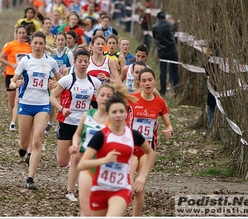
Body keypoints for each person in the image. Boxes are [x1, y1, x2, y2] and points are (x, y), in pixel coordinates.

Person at [77, 93, 155, 217]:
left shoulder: (133, 135)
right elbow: (81, 165)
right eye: (114, 112)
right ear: (108, 114)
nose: (118, 115)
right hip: (100, 188)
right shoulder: (101, 136)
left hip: (121, 188)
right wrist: (103, 160)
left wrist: (142, 176)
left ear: (126, 113)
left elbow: (150, 152)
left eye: (121, 111)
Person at [69, 82, 135, 216]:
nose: (105, 98)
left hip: (107, 169)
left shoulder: (116, 121)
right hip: (87, 166)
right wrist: (75, 144)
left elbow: (126, 142)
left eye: (109, 96)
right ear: (96, 97)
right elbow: (77, 134)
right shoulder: (87, 115)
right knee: (86, 211)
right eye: (102, 95)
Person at [9, 31, 61, 189]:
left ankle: (30, 178)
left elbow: (61, 82)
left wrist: (54, 85)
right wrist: (15, 85)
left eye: (41, 43)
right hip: (25, 104)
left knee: (37, 141)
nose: (38, 46)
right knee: (24, 143)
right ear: (31, 44)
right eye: (35, 43)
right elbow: (12, 81)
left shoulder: (51, 62)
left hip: (43, 104)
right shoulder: (25, 61)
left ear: (45, 45)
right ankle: (24, 148)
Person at [49, 48, 101, 202]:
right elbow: (52, 98)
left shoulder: (94, 82)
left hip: (84, 125)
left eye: (86, 61)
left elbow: (98, 101)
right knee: (62, 162)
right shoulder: (67, 80)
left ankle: (70, 191)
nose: (83, 64)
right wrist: (62, 109)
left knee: (77, 158)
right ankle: (63, 153)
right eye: (80, 61)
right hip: (66, 123)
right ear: (74, 62)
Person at [127, 67, 173, 216]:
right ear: (139, 83)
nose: (147, 83)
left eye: (150, 80)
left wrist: (169, 131)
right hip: (130, 148)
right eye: (144, 81)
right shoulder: (132, 99)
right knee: (128, 186)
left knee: (139, 190)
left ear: (155, 81)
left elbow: (169, 125)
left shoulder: (160, 102)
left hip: (148, 150)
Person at [0, 26, 31, 131]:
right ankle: (13, 121)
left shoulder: (29, 46)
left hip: (24, 76)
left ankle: (16, 122)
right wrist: (11, 64)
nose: (21, 34)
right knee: (12, 102)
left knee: (20, 100)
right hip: (11, 74)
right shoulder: (10, 45)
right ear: (16, 34)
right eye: (19, 32)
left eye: (23, 32)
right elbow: (0, 58)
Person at [152, 11, 180, 96]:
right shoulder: (171, 25)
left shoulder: (154, 26)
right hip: (172, 50)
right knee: (175, 70)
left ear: (157, 18)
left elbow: (154, 37)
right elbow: (174, 34)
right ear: (165, 18)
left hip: (162, 51)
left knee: (163, 71)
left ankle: (163, 90)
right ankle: (176, 89)